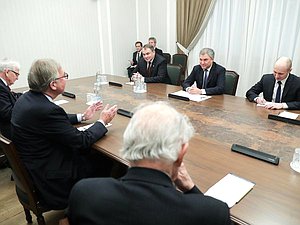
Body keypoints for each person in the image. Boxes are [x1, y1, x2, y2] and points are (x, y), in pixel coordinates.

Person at [66, 101, 231, 225]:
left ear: (128, 144)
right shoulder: (212, 213)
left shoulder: (85, 193)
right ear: (181, 153)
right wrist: (191, 189)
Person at [11, 59, 118, 209]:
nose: (66, 79)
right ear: (53, 84)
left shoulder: (27, 99)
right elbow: (81, 140)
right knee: (105, 159)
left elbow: (53, 120)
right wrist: (102, 121)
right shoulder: (46, 110)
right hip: (53, 178)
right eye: (64, 76)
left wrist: (82, 117)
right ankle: (93, 206)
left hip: (38, 165)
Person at [0, 59, 22, 140]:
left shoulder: (3, 86)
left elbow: (12, 95)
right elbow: (7, 113)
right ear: (7, 72)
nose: (17, 78)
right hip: (9, 130)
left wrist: (25, 95)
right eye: (16, 74)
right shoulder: (1, 88)